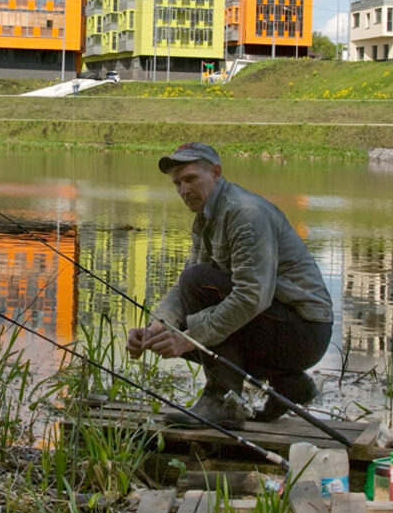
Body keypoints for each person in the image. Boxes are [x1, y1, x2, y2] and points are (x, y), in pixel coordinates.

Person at [127, 142, 334, 429]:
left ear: (216, 172)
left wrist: (187, 339)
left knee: (197, 295)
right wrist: (156, 328)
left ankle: (221, 401)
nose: (183, 190)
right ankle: (289, 384)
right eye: (177, 184)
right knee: (184, 312)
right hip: (283, 329)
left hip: (305, 330)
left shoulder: (246, 214)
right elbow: (185, 291)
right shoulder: (207, 218)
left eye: (190, 179)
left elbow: (251, 298)